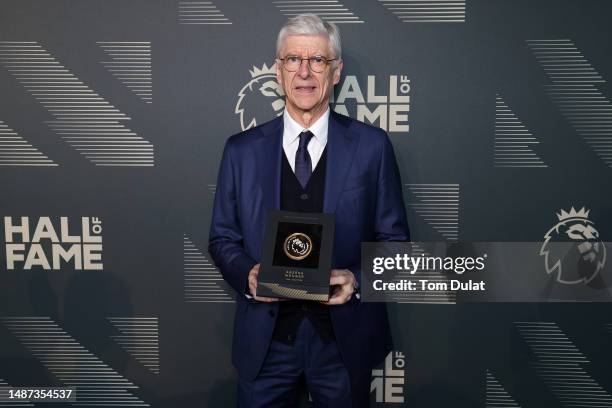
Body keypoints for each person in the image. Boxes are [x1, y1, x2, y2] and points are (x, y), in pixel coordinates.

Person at [209, 13, 410, 407]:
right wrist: (246, 274)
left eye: (317, 60)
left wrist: (356, 280)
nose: (305, 72)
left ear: (335, 72)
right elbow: (222, 238)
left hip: (343, 343)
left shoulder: (372, 147)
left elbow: (396, 242)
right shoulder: (241, 151)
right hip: (265, 345)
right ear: (277, 70)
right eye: (293, 60)